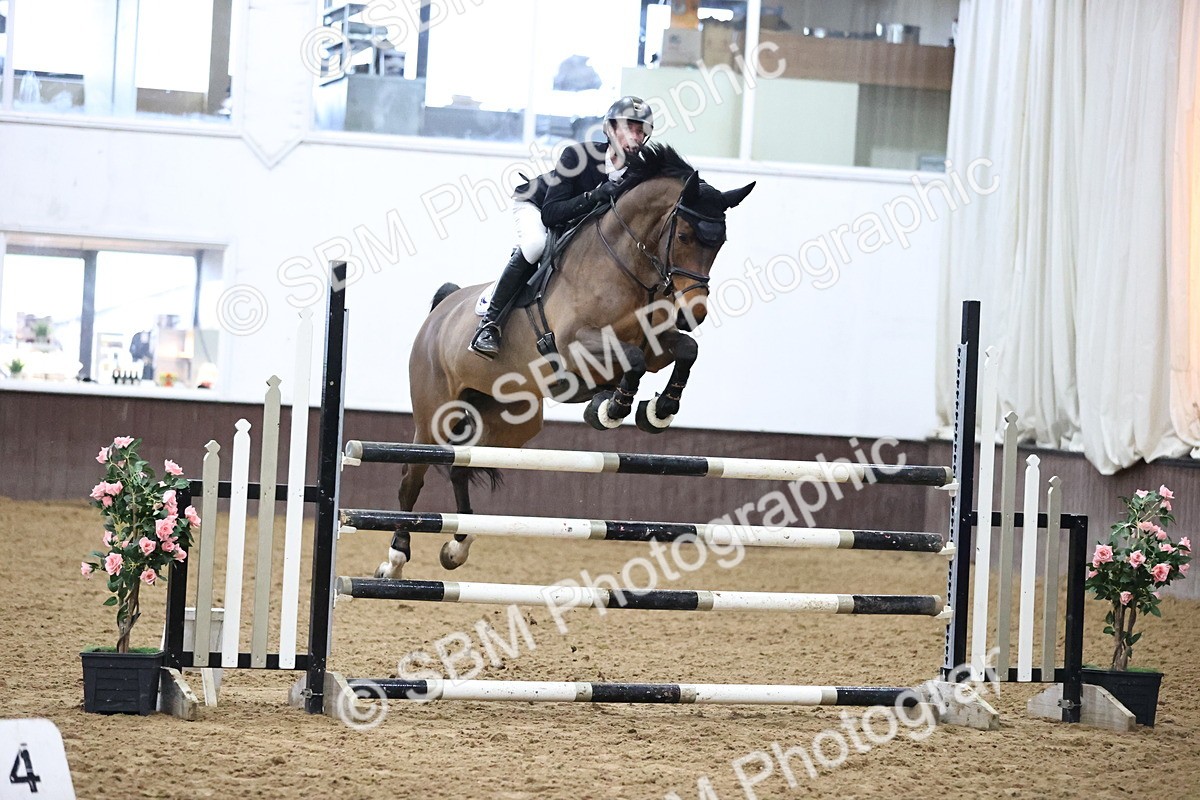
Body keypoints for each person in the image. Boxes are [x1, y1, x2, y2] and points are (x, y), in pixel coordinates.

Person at [469, 95, 654, 359]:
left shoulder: (640, 172)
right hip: (537, 204)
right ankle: (489, 324)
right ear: (611, 129)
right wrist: (593, 196)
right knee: (535, 245)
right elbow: (551, 213)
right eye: (628, 129)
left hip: (579, 222)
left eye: (640, 131)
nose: (635, 137)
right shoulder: (578, 155)